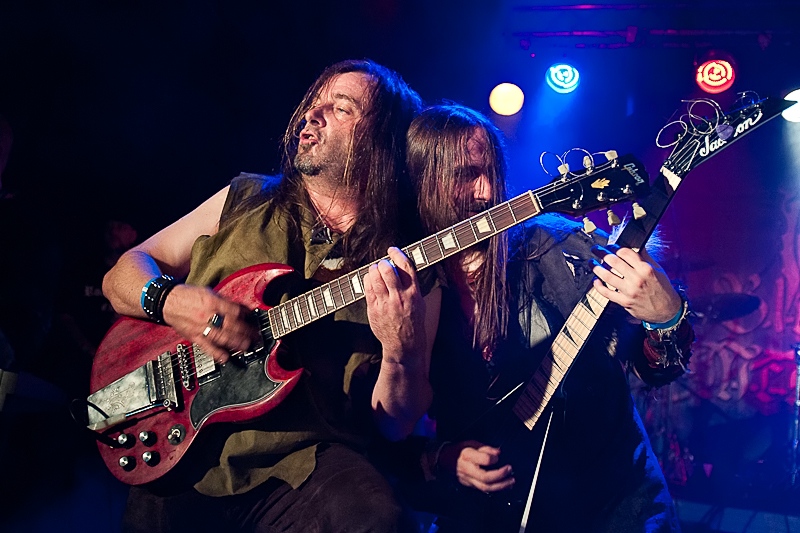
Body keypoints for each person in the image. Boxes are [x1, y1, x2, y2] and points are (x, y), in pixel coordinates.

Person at [101, 59, 440, 532]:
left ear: (380, 139)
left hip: (305, 466)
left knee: (378, 519)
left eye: (340, 108)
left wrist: (401, 350)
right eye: (313, 104)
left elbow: (397, 424)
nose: (311, 116)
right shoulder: (245, 198)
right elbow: (121, 275)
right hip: (188, 454)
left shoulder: (411, 267)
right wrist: (174, 301)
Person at [381, 104, 694, 532]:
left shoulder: (555, 245)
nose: (488, 191)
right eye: (466, 175)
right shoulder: (399, 283)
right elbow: (375, 438)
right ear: (422, 183)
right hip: (489, 513)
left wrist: (666, 318)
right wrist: (442, 458)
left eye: (493, 172)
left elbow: (654, 369)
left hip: (612, 505)